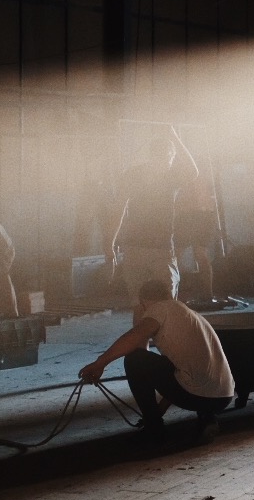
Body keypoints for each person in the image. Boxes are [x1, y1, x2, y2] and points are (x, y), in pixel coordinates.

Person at [78, 277, 235, 442]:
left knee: (136, 359)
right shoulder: (190, 315)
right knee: (179, 369)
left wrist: (100, 363)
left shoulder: (159, 308)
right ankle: (206, 418)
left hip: (198, 395)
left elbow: (133, 338)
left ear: (144, 302)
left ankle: (154, 429)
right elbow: (181, 372)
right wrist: (159, 410)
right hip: (222, 397)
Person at [108, 126, 199, 299]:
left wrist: (110, 244)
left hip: (152, 247)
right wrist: (110, 244)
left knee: (152, 301)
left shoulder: (146, 175)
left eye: (166, 160)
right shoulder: (158, 175)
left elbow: (118, 210)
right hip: (147, 247)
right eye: (164, 159)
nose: (164, 163)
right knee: (150, 302)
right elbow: (118, 209)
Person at [174, 168, 221, 303]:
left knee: (197, 255)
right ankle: (195, 292)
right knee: (184, 255)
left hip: (198, 216)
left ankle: (205, 294)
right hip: (195, 216)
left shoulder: (194, 176)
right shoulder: (189, 176)